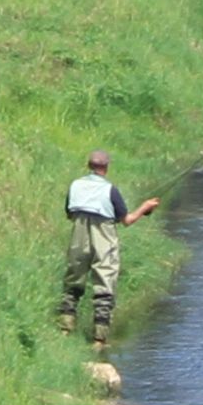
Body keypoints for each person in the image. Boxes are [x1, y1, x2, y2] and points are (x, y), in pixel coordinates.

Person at [60, 149, 141, 350]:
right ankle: (99, 339)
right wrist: (146, 207)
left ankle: (65, 328)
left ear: (89, 166)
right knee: (104, 284)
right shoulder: (110, 190)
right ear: (106, 167)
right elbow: (127, 220)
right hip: (103, 237)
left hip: (79, 236)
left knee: (74, 280)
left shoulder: (75, 185)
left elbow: (70, 213)